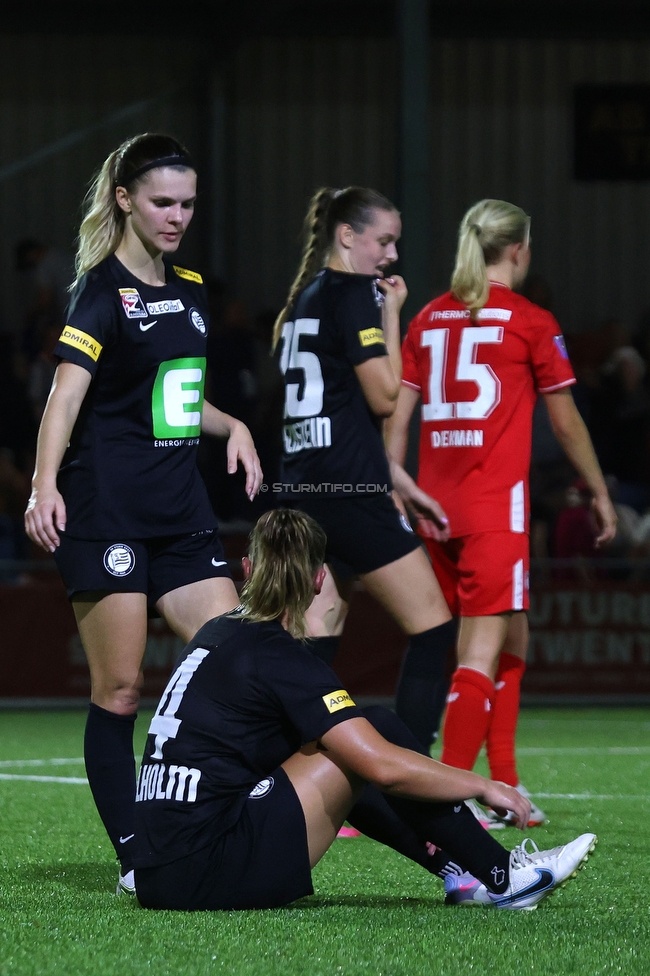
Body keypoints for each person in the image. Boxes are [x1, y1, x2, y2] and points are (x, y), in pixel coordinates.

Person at [132, 508, 596, 911]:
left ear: (248, 569)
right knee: (372, 732)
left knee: (343, 744)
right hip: (206, 869)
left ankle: (465, 873)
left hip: (157, 873)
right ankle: (502, 877)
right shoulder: (281, 656)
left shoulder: (215, 632)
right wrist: (483, 784)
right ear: (319, 581)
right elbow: (382, 765)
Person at [23, 133, 262, 894]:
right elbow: (65, 396)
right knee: (121, 690)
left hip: (181, 511)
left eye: (188, 204)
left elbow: (180, 404)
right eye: (163, 201)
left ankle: (226, 813)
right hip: (108, 513)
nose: (177, 216)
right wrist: (43, 484)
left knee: (237, 662)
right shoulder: (100, 291)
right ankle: (137, 854)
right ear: (125, 198)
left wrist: (238, 427)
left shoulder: (188, 284)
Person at [385, 199, 617, 826]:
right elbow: (566, 422)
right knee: (478, 654)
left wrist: (395, 482)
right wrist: (597, 490)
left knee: (511, 638)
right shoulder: (531, 321)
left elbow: (397, 419)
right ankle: (459, 799)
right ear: (518, 249)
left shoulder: (428, 318)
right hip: (494, 509)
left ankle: (506, 780)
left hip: (432, 508)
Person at [273, 186, 456, 754]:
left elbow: (331, 412)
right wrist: (393, 312)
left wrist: (398, 479)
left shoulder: (305, 297)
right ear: (347, 236)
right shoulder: (355, 294)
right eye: (384, 240)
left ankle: (295, 776)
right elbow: (382, 399)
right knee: (435, 631)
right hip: (350, 495)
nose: (392, 254)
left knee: (313, 645)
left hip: (306, 493)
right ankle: (415, 783)